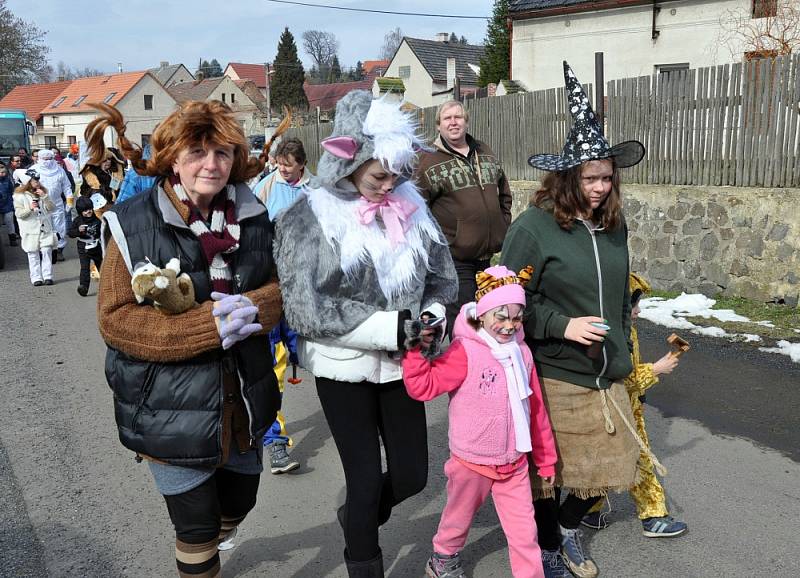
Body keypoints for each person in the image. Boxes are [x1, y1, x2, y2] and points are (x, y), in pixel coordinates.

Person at [93, 99, 282, 578]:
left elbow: (283, 288)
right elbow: (116, 319)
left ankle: (210, 547)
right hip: (167, 404)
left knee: (240, 500)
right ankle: (200, 554)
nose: (211, 164)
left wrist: (253, 308)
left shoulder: (254, 214)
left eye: (221, 152)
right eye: (197, 152)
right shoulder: (132, 221)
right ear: (173, 157)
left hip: (242, 394)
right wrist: (207, 327)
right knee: (195, 528)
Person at [273, 90, 457, 578]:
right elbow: (305, 309)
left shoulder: (412, 208)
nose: (389, 184)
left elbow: (443, 280)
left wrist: (433, 318)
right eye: (380, 175)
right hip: (343, 368)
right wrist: (392, 328)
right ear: (350, 160)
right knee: (362, 479)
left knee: (413, 476)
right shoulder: (306, 217)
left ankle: (357, 522)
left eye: (396, 175)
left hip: (403, 365)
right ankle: (364, 561)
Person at [500, 62, 649, 578]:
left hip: (606, 367)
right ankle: (545, 547)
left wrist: (625, 312)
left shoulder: (613, 224)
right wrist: (562, 324)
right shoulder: (534, 228)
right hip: (554, 368)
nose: (601, 187)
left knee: (610, 469)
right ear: (567, 177)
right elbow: (507, 300)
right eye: (590, 177)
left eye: (608, 177)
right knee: (550, 473)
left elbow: (615, 283)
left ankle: (566, 529)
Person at [403, 265, 557, 578]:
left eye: (516, 317)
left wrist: (547, 460)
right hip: (471, 462)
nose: (509, 325)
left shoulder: (522, 354)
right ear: (482, 314)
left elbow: (536, 409)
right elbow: (423, 387)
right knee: (457, 519)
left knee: (526, 534)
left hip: (514, 462)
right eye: (501, 316)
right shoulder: (466, 352)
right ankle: (443, 558)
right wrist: (416, 350)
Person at [581, 273, 687, 538]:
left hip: (628, 407)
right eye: (633, 305)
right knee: (639, 461)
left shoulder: (628, 330)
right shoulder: (610, 337)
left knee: (603, 461)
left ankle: (588, 509)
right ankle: (653, 517)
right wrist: (656, 369)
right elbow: (620, 379)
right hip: (618, 410)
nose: (638, 311)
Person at [416, 99, 513, 334]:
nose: (453, 122)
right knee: (465, 320)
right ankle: (462, 365)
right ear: (438, 125)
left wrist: (502, 222)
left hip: (486, 257)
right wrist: (441, 242)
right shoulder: (427, 160)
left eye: (458, 117)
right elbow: (418, 208)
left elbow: (504, 193)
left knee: (486, 317)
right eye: (447, 118)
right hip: (454, 258)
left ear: (466, 122)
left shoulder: (484, 151)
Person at [253, 137, 313, 474]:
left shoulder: (317, 189)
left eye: (288, 164)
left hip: (307, 292)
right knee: (274, 366)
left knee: (319, 360)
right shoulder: (263, 189)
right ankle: (275, 442)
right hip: (274, 288)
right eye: (278, 162)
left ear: (302, 163)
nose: (282, 168)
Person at [13, 170, 56, 286]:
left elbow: (52, 208)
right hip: (30, 230)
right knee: (33, 253)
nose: (37, 183)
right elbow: (19, 214)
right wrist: (30, 209)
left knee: (47, 250)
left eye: (38, 180)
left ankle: (48, 276)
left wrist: (45, 197)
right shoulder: (19, 196)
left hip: (45, 228)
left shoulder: (43, 191)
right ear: (27, 182)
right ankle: (36, 277)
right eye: (34, 181)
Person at [67, 195, 102, 296]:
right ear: (80, 212)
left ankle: (106, 285)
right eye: (85, 211)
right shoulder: (78, 221)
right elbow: (70, 233)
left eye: (90, 209)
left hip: (96, 245)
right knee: (84, 268)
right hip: (83, 246)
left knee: (101, 265)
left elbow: (102, 232)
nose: (88, 212)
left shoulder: (97, 220)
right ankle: (84, 287)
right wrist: (78, 231)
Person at [0, 163, 17, 246]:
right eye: (0, 172)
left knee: (10, 223)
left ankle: (12, 239)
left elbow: (12, 191)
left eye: (3, 172)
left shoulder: (8, 180)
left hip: (8, 205)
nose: (2, 174)